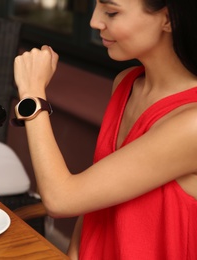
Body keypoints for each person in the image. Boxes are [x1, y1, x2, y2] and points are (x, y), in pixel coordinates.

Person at [13, 0, 197, 259]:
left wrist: (32, 94)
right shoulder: (126, 83)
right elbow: (92, 199)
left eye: (111, 12)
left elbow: (62, 198)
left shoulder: (191, 124)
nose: (94, 22)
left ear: (168, 20)